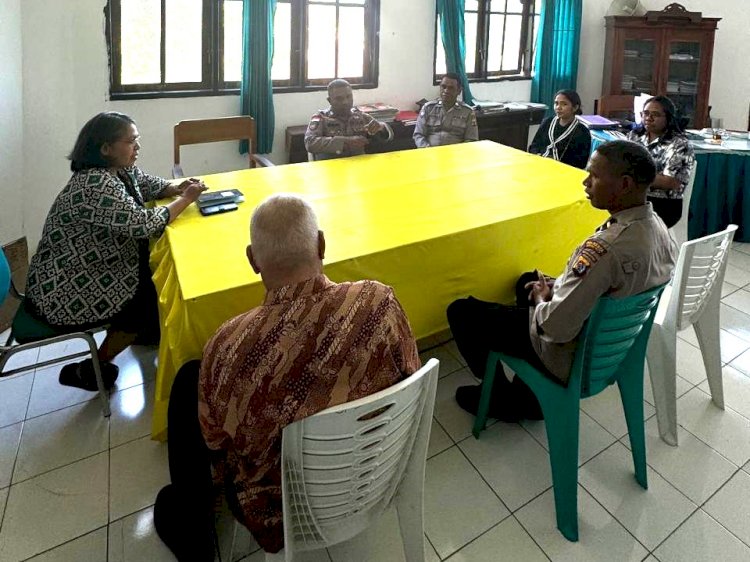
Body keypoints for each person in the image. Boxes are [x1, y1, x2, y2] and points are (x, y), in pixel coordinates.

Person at [153, 194, 420, 560]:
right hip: (378, 473)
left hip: (280, 513)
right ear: (322, 244)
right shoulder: (380, 301)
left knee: (190, 382)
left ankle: (195, 535)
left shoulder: (228, 346)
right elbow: (410, 371)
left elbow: (216, 444)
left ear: (252, 261)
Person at [447, 140, 676, 420]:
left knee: (462, 312)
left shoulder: (606, 249)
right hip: (611, 336)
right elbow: (612, 284)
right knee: (528, 280)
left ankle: (500, 398)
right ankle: (529, 391)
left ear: (625, 184)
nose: (585, 181)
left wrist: (544, 300)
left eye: (594, 175)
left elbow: (556, 327)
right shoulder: (659, 228)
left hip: (573, 349)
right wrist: (560, 285)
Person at [23, 112, 206, 391]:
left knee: (155, 274)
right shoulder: (94, 184)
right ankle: (93, 367)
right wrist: (185, 199)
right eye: (131, 141)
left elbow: (149, 185)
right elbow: (144, 224)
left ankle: (146, 332)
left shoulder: (117, 170)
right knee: (143, 301)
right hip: (64, 288)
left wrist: (176, 187)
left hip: (91, 268)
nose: (138, 147)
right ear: (105, 148)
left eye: (137, 140)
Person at [627, 95, 695, 228]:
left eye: (655, 115)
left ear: (668, 118)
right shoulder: (635, 136)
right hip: (635, 198)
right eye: (645, 113)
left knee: (626, 223)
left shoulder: (680, 144)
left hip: (664, 203)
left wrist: (632, 176)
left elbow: (670, 182)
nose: (648, 118)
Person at [304, 79, 394, 160]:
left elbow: (386, 138)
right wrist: (345, 142)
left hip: (359, 166)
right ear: (329, 100)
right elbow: (310, 142)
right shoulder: (321, 118)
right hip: (331, 168)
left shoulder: (360, 116)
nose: (345, 102)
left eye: (348, 96)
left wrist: (381, 127)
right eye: (339, 98)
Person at [528, 89, 591, 170]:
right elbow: (534, 145)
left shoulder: (582, 131)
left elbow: (581, 162)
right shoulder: (547, 122)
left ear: (575, 107)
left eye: (564, 104)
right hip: (542, 165)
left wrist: (557, 163)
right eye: (556, 103)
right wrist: (537, 155)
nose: (558, 107)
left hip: (564, 171)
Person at [413, 73, 479, 148]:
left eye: (451, 88)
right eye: (443, 87)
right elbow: (418, 135)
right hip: (430, 154)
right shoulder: (428, 108)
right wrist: (427, 150)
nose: (446, 91)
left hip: (456, 155)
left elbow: (471, 139)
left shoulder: (467, 112)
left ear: (459, 91)